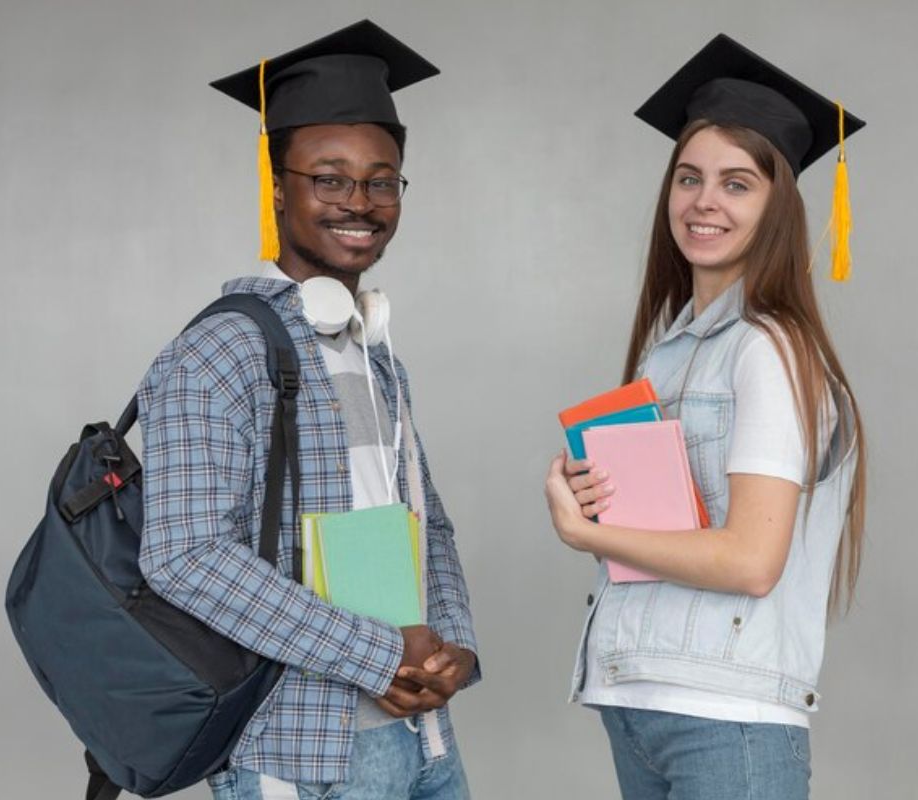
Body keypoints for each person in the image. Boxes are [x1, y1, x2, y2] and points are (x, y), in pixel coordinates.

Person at [137, 20, 478, 800]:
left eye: (381, 179)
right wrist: (376, 655)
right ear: (278, 185)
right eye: (329, 178)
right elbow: (184, 556)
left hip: (423, 738)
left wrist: (450, 642)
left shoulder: (374, 352)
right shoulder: (220, 351)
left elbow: (431, 524)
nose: (359, 202)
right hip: (303, 752)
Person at [543, 34, 867, 800]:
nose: (703, 202)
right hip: (640, 703)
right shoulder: (671, 350)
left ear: (778, 204)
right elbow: (671, 528)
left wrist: (584, 531)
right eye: (688, 178)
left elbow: (752, 561)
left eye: (736, 183)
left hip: (724, 717)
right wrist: (593, 492)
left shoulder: (769, 351)